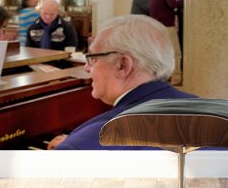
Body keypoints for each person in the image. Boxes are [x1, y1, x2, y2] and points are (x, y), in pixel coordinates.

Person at [47, 15, 197, 150]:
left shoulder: (85, 145)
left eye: (93, 58)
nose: (87, 68)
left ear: (122, 65)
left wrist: (72, 147)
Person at [149, 0, 184, 85]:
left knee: (162, 53)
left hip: (156, 26)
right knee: (175, 53)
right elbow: (173, 4)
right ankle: (176, 78)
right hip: (167, 27)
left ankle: (164, 77)